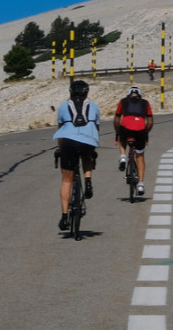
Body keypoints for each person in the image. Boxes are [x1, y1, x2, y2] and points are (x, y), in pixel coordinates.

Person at [53, 80, 100, 231]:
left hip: (68, 142)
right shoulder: (94, 106)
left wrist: (60, 149)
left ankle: (64, 217)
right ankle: (88, 181)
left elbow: (60, 131)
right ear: (87, 92)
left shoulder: (62, 106)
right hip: (88, 141)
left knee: (67, 180)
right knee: (87, 156)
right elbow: (96, 128)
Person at [114, 86, 154, 196]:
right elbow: (150, 122)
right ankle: (140, 184)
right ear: (139, 96)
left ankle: (123, 157)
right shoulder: (145, 103)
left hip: (126, 127)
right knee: (140, 156)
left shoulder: (123, 102)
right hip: (140, 129)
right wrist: (145, 132)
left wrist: (118, 132)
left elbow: (117, 119)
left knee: (122, 138)